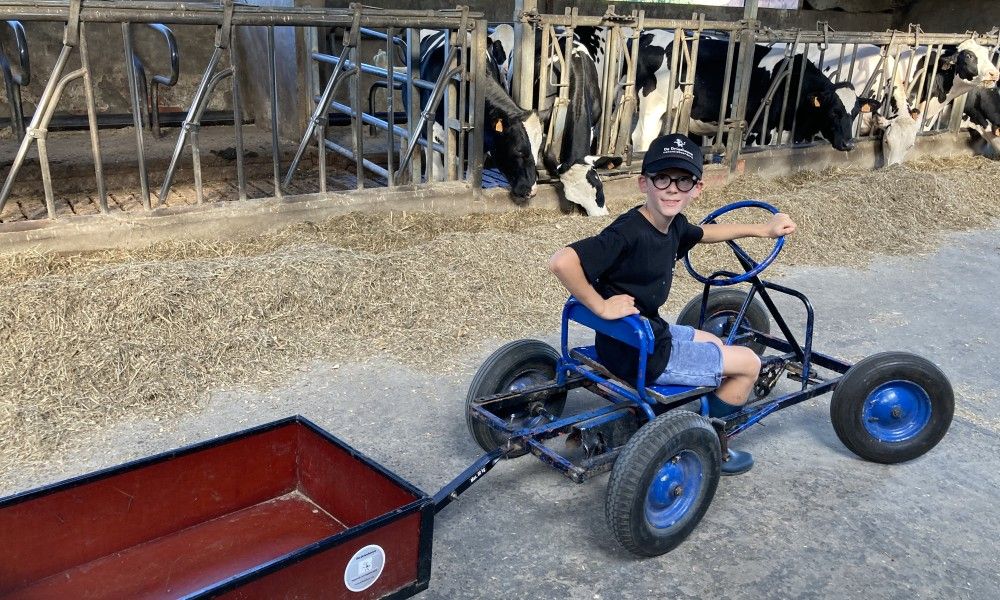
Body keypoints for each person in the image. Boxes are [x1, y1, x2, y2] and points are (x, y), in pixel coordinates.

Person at [548, 133, 796, 475]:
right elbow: (563, 261)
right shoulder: (627, 233)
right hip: (643, 354)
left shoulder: (673, 226)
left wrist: (763, 229)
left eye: (683, 180)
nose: (672, 189)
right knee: (750, 363)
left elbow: (704, 232)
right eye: (662, 178)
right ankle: (711, 441)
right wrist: (601, 307)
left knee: (711, 340)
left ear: (697, 188)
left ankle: (693, 412)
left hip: (629, 340)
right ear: (643, 184)